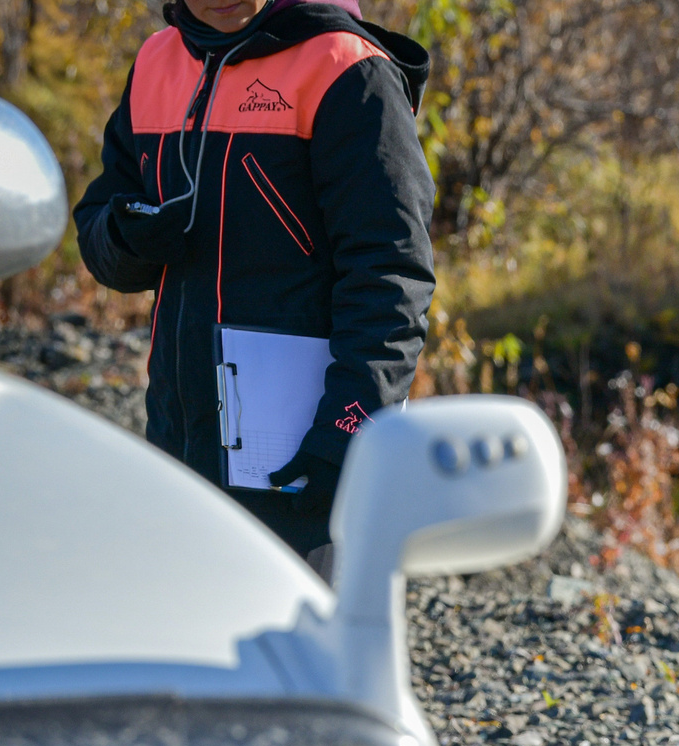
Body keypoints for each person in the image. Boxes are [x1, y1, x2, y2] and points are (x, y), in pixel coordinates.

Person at [74, 0, 434, 565]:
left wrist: (345, 436)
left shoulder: (346, 67)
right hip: (178, 452)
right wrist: (127, 238)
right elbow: (98, 231)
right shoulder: (154, 62)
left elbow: (392, 276)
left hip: (306, 466)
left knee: (305, 652)